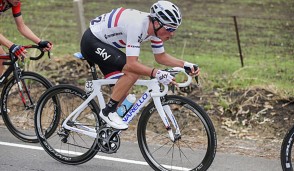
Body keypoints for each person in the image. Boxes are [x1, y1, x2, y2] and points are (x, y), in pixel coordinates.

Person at [80, 0, 200, 130]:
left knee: (123, 97)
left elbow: (160, 57)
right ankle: (108, 112)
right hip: (92, 42)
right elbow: (132, 64)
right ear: (156, 22)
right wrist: (157, 73)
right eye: (169, 29)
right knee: (133, 73)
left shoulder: (155, 30)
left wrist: (185, 65)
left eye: (174, 29)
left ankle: (105, 132)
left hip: (107, 45)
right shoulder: (137, 25)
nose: (172, 34)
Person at [0, 0, 53, 75]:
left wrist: (40, 42)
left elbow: (21, 27)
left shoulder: (15, 2)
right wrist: (12, 46)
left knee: (1, 56)